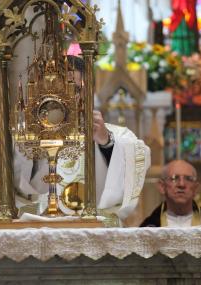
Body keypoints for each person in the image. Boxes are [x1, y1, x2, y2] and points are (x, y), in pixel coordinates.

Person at [12, 56, 151, 224]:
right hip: (42, 224)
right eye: (58, 89)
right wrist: (34, 132)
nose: (65, 98)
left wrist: (106, 142)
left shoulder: (113, 135)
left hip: (94, 226)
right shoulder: (25, 131)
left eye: (75, 89)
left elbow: (138, 154)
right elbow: (16, 176)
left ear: (87, 92)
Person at [140, 159, 201, 227]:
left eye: (188, 179)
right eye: (174, 178)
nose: (181, 184)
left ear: (195, 188)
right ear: (162, 187)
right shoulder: (149, 228)